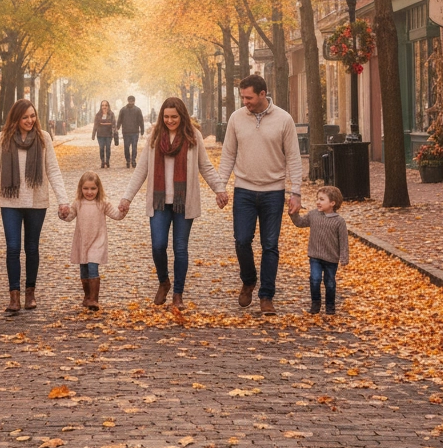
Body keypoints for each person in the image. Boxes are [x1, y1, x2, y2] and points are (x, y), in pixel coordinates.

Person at [119, 96, 228, 309]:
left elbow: (205, 166)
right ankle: (164, 281)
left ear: (182, 116)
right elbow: (141, 170)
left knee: (180, 248)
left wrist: (219, 189)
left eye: (174, 117)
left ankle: (178, 294)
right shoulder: (154, 137)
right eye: (166, 117)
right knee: (158, 246)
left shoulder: (193, 136)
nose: (170, 121)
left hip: (183, 203)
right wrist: (126, 198)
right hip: (159, 203)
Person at [218, 74, 301, 315]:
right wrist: (221, 186)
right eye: (242, 97)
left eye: (249, 97)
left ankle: (266, 296)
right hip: (243, 189)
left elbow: (293, 158)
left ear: (263, 94)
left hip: (273, 191)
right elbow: (228, 155)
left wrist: (296, 192)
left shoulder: (284, 120)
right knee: (242, 240)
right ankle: (249, 279)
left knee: (270, 245)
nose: (245, 101)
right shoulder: (236, 118)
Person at [0, 99, 70, 312]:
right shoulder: (2, 139)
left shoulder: (44, 138)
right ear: (16, 118)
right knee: (12, 247)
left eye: (32, 116)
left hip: (37, 202)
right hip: (10, 202)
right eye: (25, 117)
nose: (30, 120)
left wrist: (63, 201)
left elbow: (53, 170)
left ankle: (30, 292)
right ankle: (14, 296)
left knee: (31, 247)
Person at [62, 170, 124, 310]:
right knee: (84, 269)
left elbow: (116, 215)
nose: (89, 192)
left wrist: (123, 210)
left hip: (97, 240)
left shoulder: (102, 203)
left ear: (98, 188)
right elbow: (69, 217)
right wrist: (63, 213)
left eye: (93, 188)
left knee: (92, 267)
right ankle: (87, 296)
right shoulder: (78, 203)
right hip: (82, 241)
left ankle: (94, 299)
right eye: (86, 188)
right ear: (80, 188)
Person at [289, 185, 349, 315]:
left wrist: (344, 257)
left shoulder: (339, 221)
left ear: (332, 203)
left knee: (330, 283)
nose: (318, 202)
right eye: (317, 199)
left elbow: (343, 240)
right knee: (315, 279)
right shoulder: (313, 215)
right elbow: (300, 223)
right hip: (315, 256)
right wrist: (294, 213)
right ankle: (315, 304)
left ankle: (330, 306)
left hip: (331, 258)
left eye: (322, 199)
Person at [116, 95, 145, 168]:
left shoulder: (138, 110)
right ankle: (128, 160)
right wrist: (117, 127)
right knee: (126, 147)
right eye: (130, 101)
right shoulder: (123, 110)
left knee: (134, 147)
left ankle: (133, 160)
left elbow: (141, 121)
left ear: (134, 101)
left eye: (132, 101)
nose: (131, 102)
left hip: (134, 132)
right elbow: (119, 120)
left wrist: (142, 130)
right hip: (126, 132)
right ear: (128, 101)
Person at [92, 100, 117, 169]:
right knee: (102, 148)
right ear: (101, 106)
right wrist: (93, 134)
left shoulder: (111, 114)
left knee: (108, 148)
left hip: (108, 134)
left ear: (108, 106)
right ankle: (102, 161)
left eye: (106, 105)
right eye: (103, 105)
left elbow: (114, 123)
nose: (104, 107)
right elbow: (95, 124)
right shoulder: (98, 115)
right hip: (100, 134)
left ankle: (107, 161)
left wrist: (115, 132)